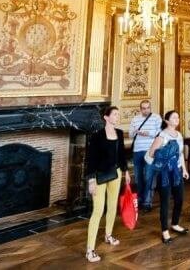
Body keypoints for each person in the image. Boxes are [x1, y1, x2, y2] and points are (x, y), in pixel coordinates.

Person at [84, 106, 130, 263]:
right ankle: (90, 250)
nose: (118, 116)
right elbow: (91, 159)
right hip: (99, 176)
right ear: (106, 117)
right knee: (98, 211)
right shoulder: (97, 136)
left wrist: (125, 171)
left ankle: (108, 235)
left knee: (112, 207)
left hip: (116, 174)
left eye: (118, 114)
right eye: (115, 114)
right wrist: (91, 180)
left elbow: (122, 155)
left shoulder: (119, 133)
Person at [145, 110, 189, 244]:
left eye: (178, 117)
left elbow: (180, 154)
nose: (177, 119)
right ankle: (164, 230)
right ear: (167, 121)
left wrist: (184, 169)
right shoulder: (162, 136)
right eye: (174, 117)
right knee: (165, 202)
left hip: (177, 171)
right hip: (164, 173)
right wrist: (165, 155)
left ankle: (175, 223)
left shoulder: (179, 135)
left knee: (179, 199)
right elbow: (151, 154)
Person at [128, 100, 162, 211]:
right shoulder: (135, 119)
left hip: (150, 151)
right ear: (140, 109)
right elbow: (130, 134)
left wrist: (148, 133)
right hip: (137, 151)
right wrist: (136, 131)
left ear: (150, 108)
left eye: (148, 108)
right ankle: (140, 199)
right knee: (138, 178)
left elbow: (159, 133)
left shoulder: (156, 118)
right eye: (143, 108)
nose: (146, 110)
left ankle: (147, 202)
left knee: (149, 177)